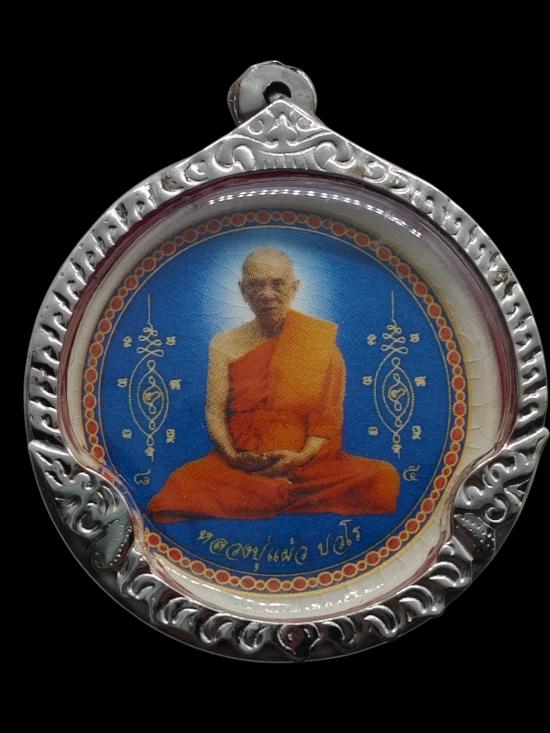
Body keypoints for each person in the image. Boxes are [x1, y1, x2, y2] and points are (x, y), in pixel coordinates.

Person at [148, 247, 400, 522]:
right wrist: (232, 456)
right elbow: (214, 411)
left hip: (307, 467)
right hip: (240, 464)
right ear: (243, 290)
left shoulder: (318, 342)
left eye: (277, 284)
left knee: (382, 477)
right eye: (256, 285)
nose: (267, 294)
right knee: (181, 483)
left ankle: (269, 494)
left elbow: (327, 420)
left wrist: (300, 457)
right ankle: (273, 494)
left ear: (294, 287)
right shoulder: (224, 343)